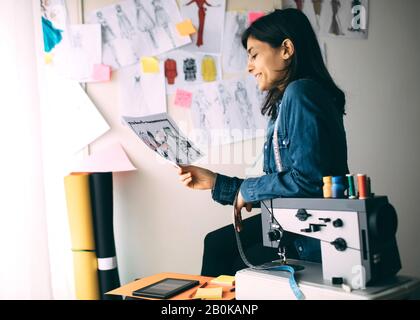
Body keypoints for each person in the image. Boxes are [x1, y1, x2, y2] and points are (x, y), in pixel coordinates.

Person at [177, 9, 348, 276]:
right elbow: (284, 186)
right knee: (216, 243)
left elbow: (308, 181)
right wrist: (216, 183)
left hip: (311, 234)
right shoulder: (285, 103)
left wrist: (247, 190)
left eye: (254, 54)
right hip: (291, 220)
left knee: (235, 265)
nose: (248, 66)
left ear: (286, 49)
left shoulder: (301, 93)